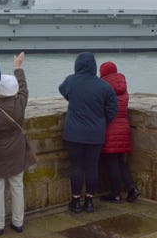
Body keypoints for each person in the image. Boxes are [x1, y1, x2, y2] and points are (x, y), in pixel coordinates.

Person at [0, 52, 36, 236]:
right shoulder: (21, 103)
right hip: (17, 151)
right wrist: (18, 67)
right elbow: (24, 88)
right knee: (17, 185)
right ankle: (18, 222)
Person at [59, 52, 118, 213]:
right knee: (92, 167)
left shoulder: (71, 81)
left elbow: (62, 90)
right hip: (95, 134)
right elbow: (113, 108)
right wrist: (102, 121)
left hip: (74, 133)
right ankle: (90, 201)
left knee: (76, 167)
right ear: (93, 66)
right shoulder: (104, 86)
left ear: (77, 65)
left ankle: (76, 201)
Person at [99, 61, 141, 203]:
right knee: (121, 162)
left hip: (110, 129)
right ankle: (132, 188)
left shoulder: (103, 87)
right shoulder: (122, 86)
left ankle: (115, 194)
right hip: (124, 128)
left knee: (111, 163)